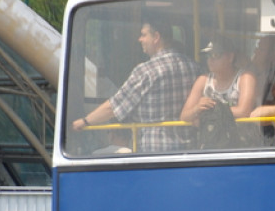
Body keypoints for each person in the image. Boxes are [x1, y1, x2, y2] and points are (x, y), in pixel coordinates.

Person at [71, 19, 197, 152]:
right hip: (189, 150)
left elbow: (114, 107)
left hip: (153, 151)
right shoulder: (194, 67)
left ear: (156, 37)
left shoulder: (146, 71)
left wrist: (84, 122)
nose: (139, 39)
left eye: (143, 35)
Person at [180, 36, 257, 125]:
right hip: (210, 133)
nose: (210, 60)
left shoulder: (245, 77)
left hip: (238, 133)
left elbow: (244, 112)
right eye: (208, 56)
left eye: (215, 55)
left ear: (230, 57)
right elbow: (184, 116)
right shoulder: (203, 80)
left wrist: (210, 109)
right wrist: (197, 108)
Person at [251, 34, 275, 105]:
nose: (255, 51)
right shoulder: (249, 73)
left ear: (274, 55)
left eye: (261, 49)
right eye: (257, 47)